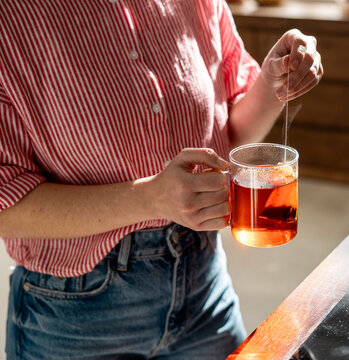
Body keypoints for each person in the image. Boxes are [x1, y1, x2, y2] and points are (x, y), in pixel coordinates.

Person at [0, 1, 322, 359]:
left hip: (204, 287)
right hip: (73, 315)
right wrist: (150, 198)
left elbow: (228, 138)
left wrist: (271, 83)